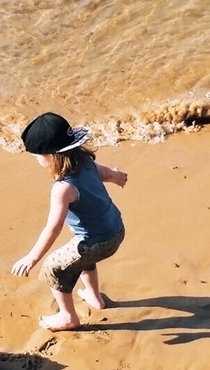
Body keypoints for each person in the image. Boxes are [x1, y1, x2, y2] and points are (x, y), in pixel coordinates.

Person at [11, 112, 127, 331]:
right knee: (81, 258)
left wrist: (32, 257)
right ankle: (94, 297)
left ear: (52, 156)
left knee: (54, 268)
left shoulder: (62, 188)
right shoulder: (85, 162)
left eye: (37, 155)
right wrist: (117, 176)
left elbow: (53, 227)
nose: (36, 159)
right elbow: (104, 172)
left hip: (96, 241)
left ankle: (67, 317)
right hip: (116, 229)